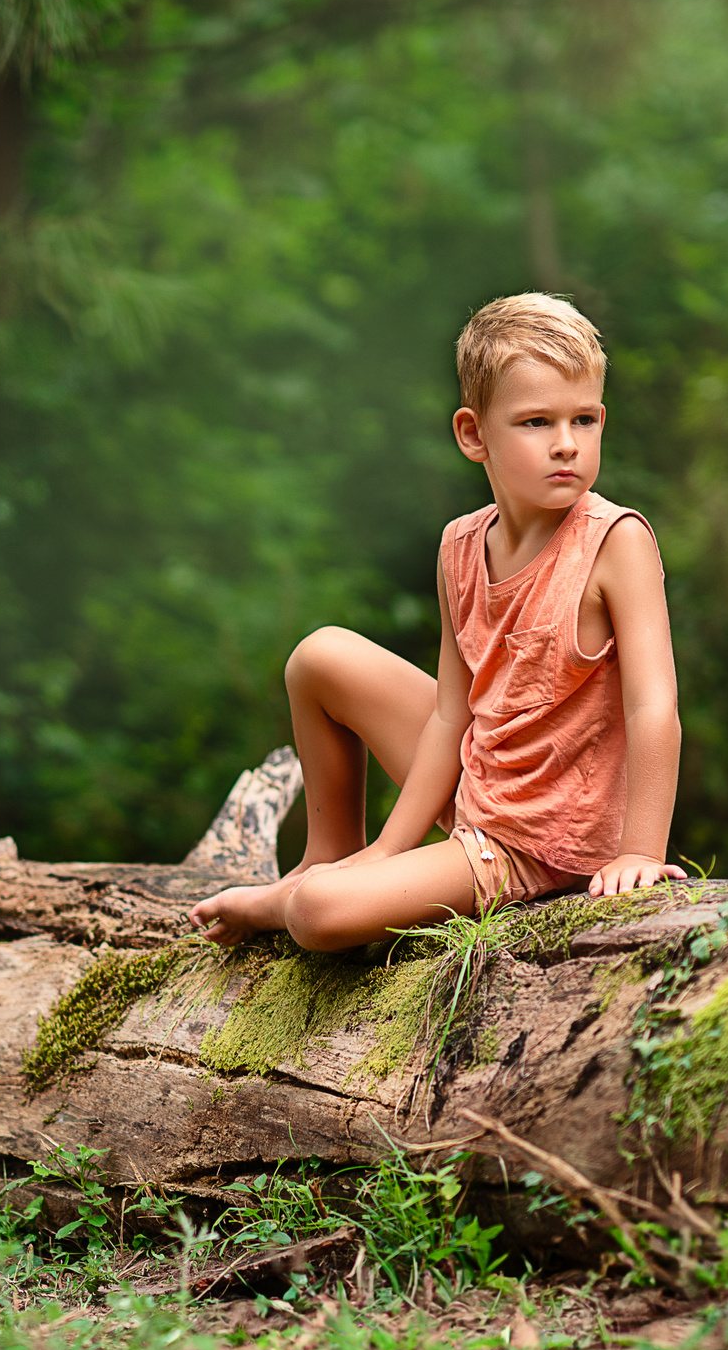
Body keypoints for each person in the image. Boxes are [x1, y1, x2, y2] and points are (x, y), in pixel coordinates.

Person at [190, 293, 687, 951]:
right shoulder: (460, 544)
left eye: (584, 419)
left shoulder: (614, 541)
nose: (566, 444)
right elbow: (452, 718)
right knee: (320, 656)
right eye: (536, 422)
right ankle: (333, 854)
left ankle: (294, 896)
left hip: (535, 842)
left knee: (315, 913)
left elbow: (654, 706)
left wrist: (640, 854)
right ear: (474, 434)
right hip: (484, 780)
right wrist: (391, 848)